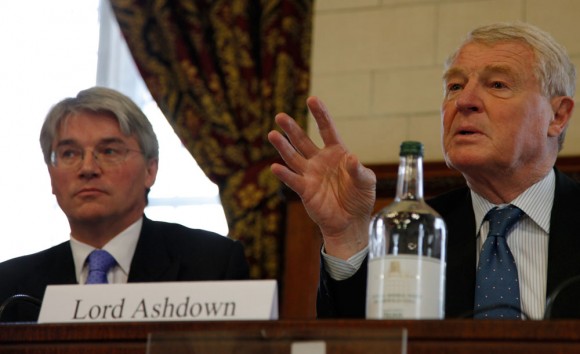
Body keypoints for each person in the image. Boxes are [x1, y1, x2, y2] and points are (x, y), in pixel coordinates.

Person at [268, 22, 580, 319]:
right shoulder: (414, 231)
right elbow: (360, 341)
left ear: (557, 115)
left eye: (498, 84)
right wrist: (345, 235)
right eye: (455, 86)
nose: (464, 101)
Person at [0, 87, 249, 322]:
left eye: (109, 151)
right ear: (51, 177)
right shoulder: (9, 285)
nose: (87, 169)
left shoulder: (212, 265)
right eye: (69, 154)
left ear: (150, 170)